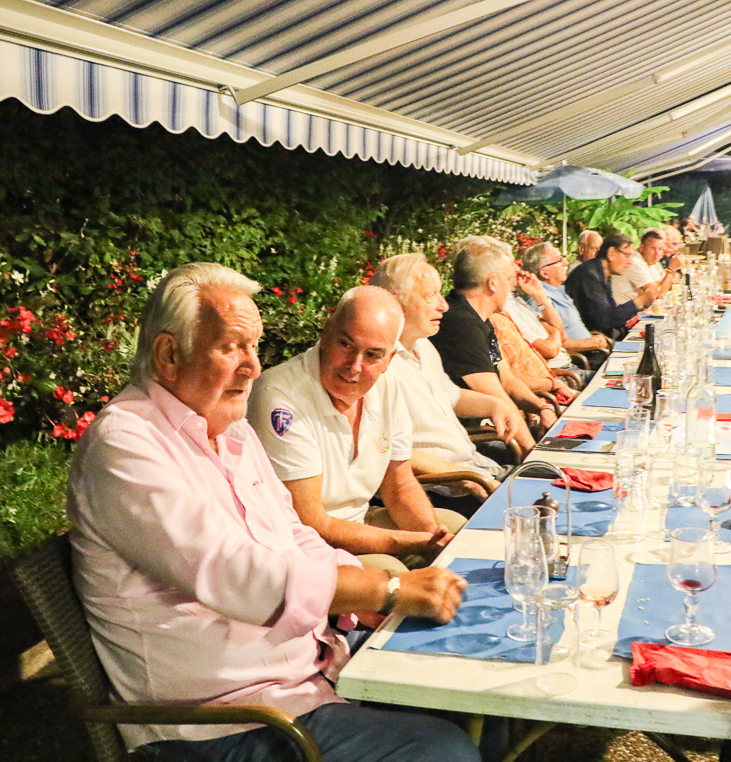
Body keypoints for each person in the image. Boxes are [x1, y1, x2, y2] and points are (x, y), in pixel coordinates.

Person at [68, 263, 477, 762]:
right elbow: (237, 573)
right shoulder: (125, 444)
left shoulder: (228, 429)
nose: (253, 367)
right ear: (169, 355)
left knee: (467, 678)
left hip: (304, 673)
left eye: (253, 346)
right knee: (443, 750)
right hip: (221, 719)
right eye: (231, 348)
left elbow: (294, 533)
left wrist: (356, 594)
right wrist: (386, 588)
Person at [249, 286, 464, 574]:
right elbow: (311, 522)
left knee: (456, 530)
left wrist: (432, 535)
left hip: (361, 521)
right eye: (346, 345)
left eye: (373, 355)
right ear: (326, 332)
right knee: (391, 572)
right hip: (303, 547)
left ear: (389, 359)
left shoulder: (388, 386)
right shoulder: (279, 397)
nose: (354, 366)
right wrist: (412, 543)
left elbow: (399, 486)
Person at [369, 254, 522, 498]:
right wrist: (464, 477)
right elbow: (380, 447)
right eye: (430, 295)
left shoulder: (423, 346)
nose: (444, 305)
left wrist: (496, 405)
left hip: (480, 470)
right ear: (394, 302)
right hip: (445, 489)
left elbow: (452, 396)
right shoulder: (373, 365)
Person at [430, 236, 557, 435]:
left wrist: (542, 408)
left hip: (489, 429)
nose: (512, 286)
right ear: (493, 283)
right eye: (509, 278)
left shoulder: (479, 319)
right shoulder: (460, 325)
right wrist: (532, 449)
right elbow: (498, 397)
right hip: (472, 437)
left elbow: (507, 381)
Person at [564, 232, 673, 339]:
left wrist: (629, 314)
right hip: (590, 342)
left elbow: (611, 312)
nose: (630, 262)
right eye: (627, 255)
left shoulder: (602, 272)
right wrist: (639, 301)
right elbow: (604, 320)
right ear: (611, 253)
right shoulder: (588, 275)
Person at [519, 242, 610, 367]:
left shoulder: (558, 291)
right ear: (545, 273)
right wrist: (588, 343)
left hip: (594, 351)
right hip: (582, 361)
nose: (566, 263)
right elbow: (552, 343)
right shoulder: (538, 301)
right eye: (559, 260)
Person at [612, 229, 673, 304]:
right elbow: (658, 294)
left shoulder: (649, 261)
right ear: (641, 247)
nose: (657, 253)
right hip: (626, 309)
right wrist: (672, 269)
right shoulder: (635, 262)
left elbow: (662, 284)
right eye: (652, 248)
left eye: (660, 249)